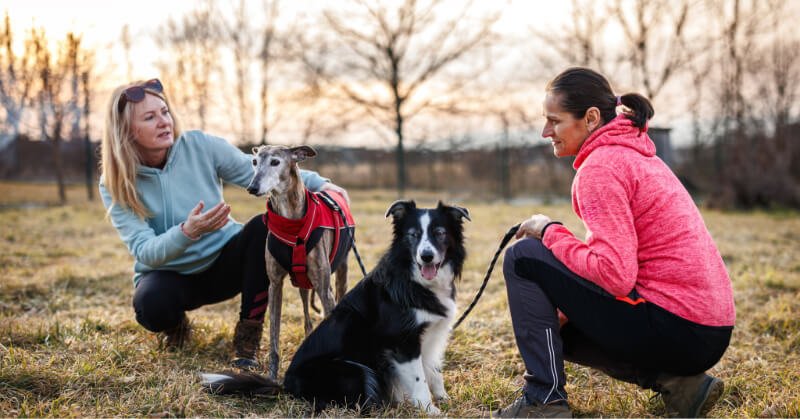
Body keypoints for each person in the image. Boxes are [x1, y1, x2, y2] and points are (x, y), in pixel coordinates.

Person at [496, 68, 735, 418]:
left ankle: (542, 402)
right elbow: (620, 268)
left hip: (679, 326)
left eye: (554, 121)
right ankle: (682, 386)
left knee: (523, 256)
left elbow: (614, 274)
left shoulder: (601, 168)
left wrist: (548, 232)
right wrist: (567, 303)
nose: (546, 132)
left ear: (591, 118)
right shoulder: (634, 154)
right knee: (553, 322)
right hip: (706, 331)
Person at [99, 78, 349, 368]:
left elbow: (256, 170)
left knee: (262, 227)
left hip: (227, 265)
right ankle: (176, 326)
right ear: (127, 130)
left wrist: (323, 186)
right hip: (171, 277)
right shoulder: (114, 183)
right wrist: (187, 232)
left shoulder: (200, 145)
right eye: (150, 117)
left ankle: (247, 342)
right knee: (151, 307)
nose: (163, 122)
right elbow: (145, 250)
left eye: (165, 112)